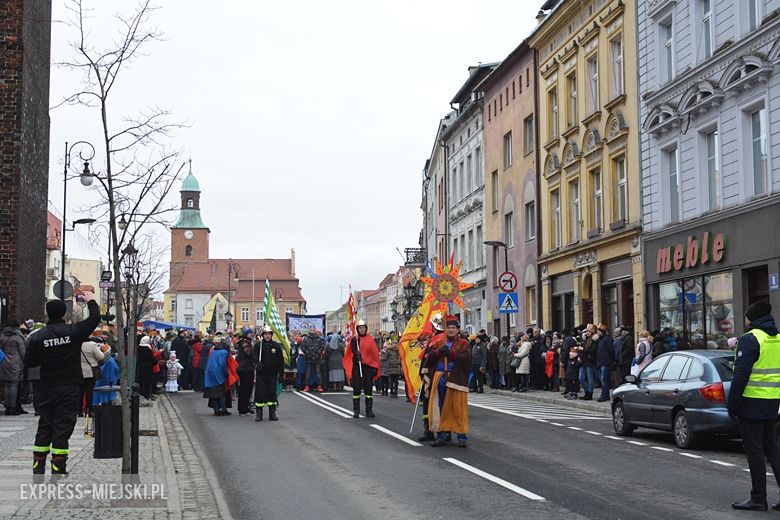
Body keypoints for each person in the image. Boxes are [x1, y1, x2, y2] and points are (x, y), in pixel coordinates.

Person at [25, 299, 100, 476]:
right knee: (63, 424)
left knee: (45, 423)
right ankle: (58, 466)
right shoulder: (73, 331)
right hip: (69, 386)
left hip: (47, 387)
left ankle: (38, 464)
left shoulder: (38, 337)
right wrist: (90, 303)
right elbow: (95, 318)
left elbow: (30, 362)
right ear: (64, 314)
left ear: (47, 314)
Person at [729, 301, 780, 511]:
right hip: (772, 402)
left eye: (746, 315)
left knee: (755, 451)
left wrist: (732, 404)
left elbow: (740, 375)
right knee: (772, 449)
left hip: (751, 403)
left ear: (752, 318)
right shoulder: (777, 339)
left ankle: (758, 498)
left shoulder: (751, 339)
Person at [426, 315, 471, 447]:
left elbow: (467, 360)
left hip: (456, 378)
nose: (451, 330)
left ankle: (461, 436)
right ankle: (442, 434)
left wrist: (451, 355)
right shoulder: (440, 342)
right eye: (448, 328)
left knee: (457, 407)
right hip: (440, 376)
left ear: (457, 329)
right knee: (440, 405)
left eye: (453, 328)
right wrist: (438, 352)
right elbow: (428, 359)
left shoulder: (464, 343)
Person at [344, 319, 380, 419]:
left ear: (366, 329)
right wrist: (356, 356)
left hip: (368, 367)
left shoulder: (370, 339)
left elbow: (375, 354)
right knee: (357, 389)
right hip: (357, 366)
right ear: (357, 329)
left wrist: (375, 367)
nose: (362, 330)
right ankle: (356, 410)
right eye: (360, 328)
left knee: (368, 389)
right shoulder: (355, 339)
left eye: (363, 328)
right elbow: (352, 350)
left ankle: (369, 410)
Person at [418, 313, 444, 441]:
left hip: (434, 375)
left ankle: (431, 431)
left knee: (431, 403)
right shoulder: (435, 338)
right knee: (431, 403)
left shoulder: (439, 339)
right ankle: (431, 430)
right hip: (430, 374)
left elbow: (430, 357)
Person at [253, 326, 284, 421]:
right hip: (261, 374)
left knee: (272, 394)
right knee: (260, 394)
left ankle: (272, 414)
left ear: (271, 335)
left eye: (269, 334)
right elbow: (254, 357)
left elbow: (280, 361)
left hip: (272, 374)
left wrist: (281, 374)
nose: (267, 336)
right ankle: (259, 414)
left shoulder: (276, 346)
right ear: (262, 335)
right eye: (265, 334)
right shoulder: (258, 345)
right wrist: (257, 363)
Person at [0, 319, 28, 415]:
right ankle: (11, 407)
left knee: (6, 385)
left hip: (3, 362)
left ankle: (7, 405)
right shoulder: (18, 337)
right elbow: (23, 352)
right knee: (13, 385)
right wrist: (26, 363)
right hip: (15, 363)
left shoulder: (2, 335)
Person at [203, 340, 236, 416]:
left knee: (213, 392)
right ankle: (223, 410)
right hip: (218, 373)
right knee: (221, 392)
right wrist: (226, 373)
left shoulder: (213, 352)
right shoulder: (224, 352)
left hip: (209, 372)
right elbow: (222, 364)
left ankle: (216, 410)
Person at [79, 333, 106, 417]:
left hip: (80, 371)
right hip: (90, 371)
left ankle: (79, 411)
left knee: (80, 392)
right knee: (89, 392)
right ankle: (89, 410)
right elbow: (101, 357)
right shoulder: (92, 345)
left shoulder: (78, 344)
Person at [235, 336, 256, 415]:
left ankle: (243, 408)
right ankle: (244, 409)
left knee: (243, 389)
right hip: (246, 368)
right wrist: (255, 356)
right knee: (247, 389)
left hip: (241, 368)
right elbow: (248, 353)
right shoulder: (246, 343)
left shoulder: (241, 343)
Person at [596, 323, 615, 402]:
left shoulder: (607, 339)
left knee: (604, 379)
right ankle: (604, 394)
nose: (597, 333)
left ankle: (605, 395)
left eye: (598, 331)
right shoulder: (600, 339)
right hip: (600, 362)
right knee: (602, 379)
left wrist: (611, 360)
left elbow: (611, 351)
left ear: (602, 331)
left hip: (605, 362)